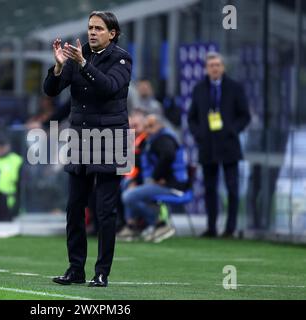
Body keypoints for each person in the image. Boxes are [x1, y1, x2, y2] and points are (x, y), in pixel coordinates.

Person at [43, 11, 132, 287]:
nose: (92, 32)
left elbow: (109, 88)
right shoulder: (77, 54)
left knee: (105, 210)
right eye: (90, 27)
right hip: (80, 138)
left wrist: (82, 64)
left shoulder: (121, 58)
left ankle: (102, 272)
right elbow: (51, 90)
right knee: (74, 207)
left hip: (112, 138)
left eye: (98, 28)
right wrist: (58, 67)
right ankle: (75, 269)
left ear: (112, 33)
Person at [188, 52, 251, 238]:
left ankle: (230, 228)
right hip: (207, 145)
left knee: (232, 187)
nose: (214, 68)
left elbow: (245, 115)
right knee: (210, 188)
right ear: (206, 69)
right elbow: (191, 117)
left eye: (217, 65)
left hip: (229, 144)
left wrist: (233, 130)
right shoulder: (199, 88)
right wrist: (198, 133)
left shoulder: (234, 87)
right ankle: (211, 227)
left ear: (223, 67)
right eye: (211, 65)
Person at [120, 114, 188, 242]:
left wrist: (158, 177)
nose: (147, 130)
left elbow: (168, 156)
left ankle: (159, 223)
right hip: (163, 182)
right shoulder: (155, 139)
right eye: (146, 127)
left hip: (171, 185)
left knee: (128, 196)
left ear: (160, 125)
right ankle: (134, 226)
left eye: (151, 126)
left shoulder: (164, 138)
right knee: (128, 187)